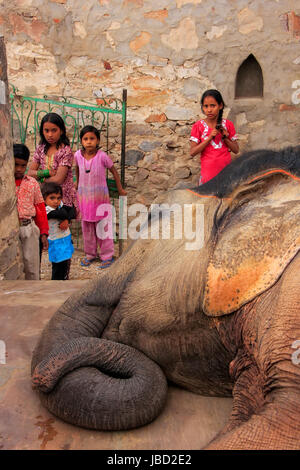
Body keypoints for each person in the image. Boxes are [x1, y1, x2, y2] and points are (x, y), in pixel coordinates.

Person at [74, 125, 127, 269]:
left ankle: (107, 256)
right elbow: (77, 169)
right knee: (87, 229)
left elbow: (114, 171)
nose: (89, 142)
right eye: (85, 139)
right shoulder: (78, 155)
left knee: (103, 228)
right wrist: (77, 184)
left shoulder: (102, 156)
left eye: (92, 138)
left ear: (97, 140)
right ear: (81, 141)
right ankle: (90, 254)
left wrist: (120, 188)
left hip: (100, 200)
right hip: (84, 199)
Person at [28, 112, 77, 210]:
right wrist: (47, 172)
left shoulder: (65, 151)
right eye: (46, 130)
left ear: (61, 131)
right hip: (45, 197)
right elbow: (29, 173)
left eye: (54, 130)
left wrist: (41, 178)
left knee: (60, 224)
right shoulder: (40, 148)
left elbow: (58, 180)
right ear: (42, 131)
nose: (50, 135)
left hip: (62, 199)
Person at [14, 143, 48, 280]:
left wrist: (44, 233)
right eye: (16, 164)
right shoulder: (4, 182)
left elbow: (40, 209)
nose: (19, 169)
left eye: (23, 165)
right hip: (9, 232)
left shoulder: (32, 183)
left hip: (28, 227)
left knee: (32, 267)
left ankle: (32, 295)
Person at [190, 89, 239, 184]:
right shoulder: (198, 126)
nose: (209, 110)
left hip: (227, 174)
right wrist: (209, 138)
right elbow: (192, 152)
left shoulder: (228, 125)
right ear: (202, 108)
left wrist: (225, 138)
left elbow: (236, 150)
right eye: (206, 106)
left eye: (213, 105)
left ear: (220, 106)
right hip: (208, 176)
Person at [41, 182, 76, 280]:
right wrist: (67, 217)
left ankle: (64, 280)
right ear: (44, 199)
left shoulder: (60, 206)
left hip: (65, 239)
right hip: (55, 242)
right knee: (57, 266)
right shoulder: (46, 210)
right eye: (52, 198)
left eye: (58, 198)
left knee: (65, 264)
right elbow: (60, 214)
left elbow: (73, 212)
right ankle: (56, 285)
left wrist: (67, 219)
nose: (56, 201)